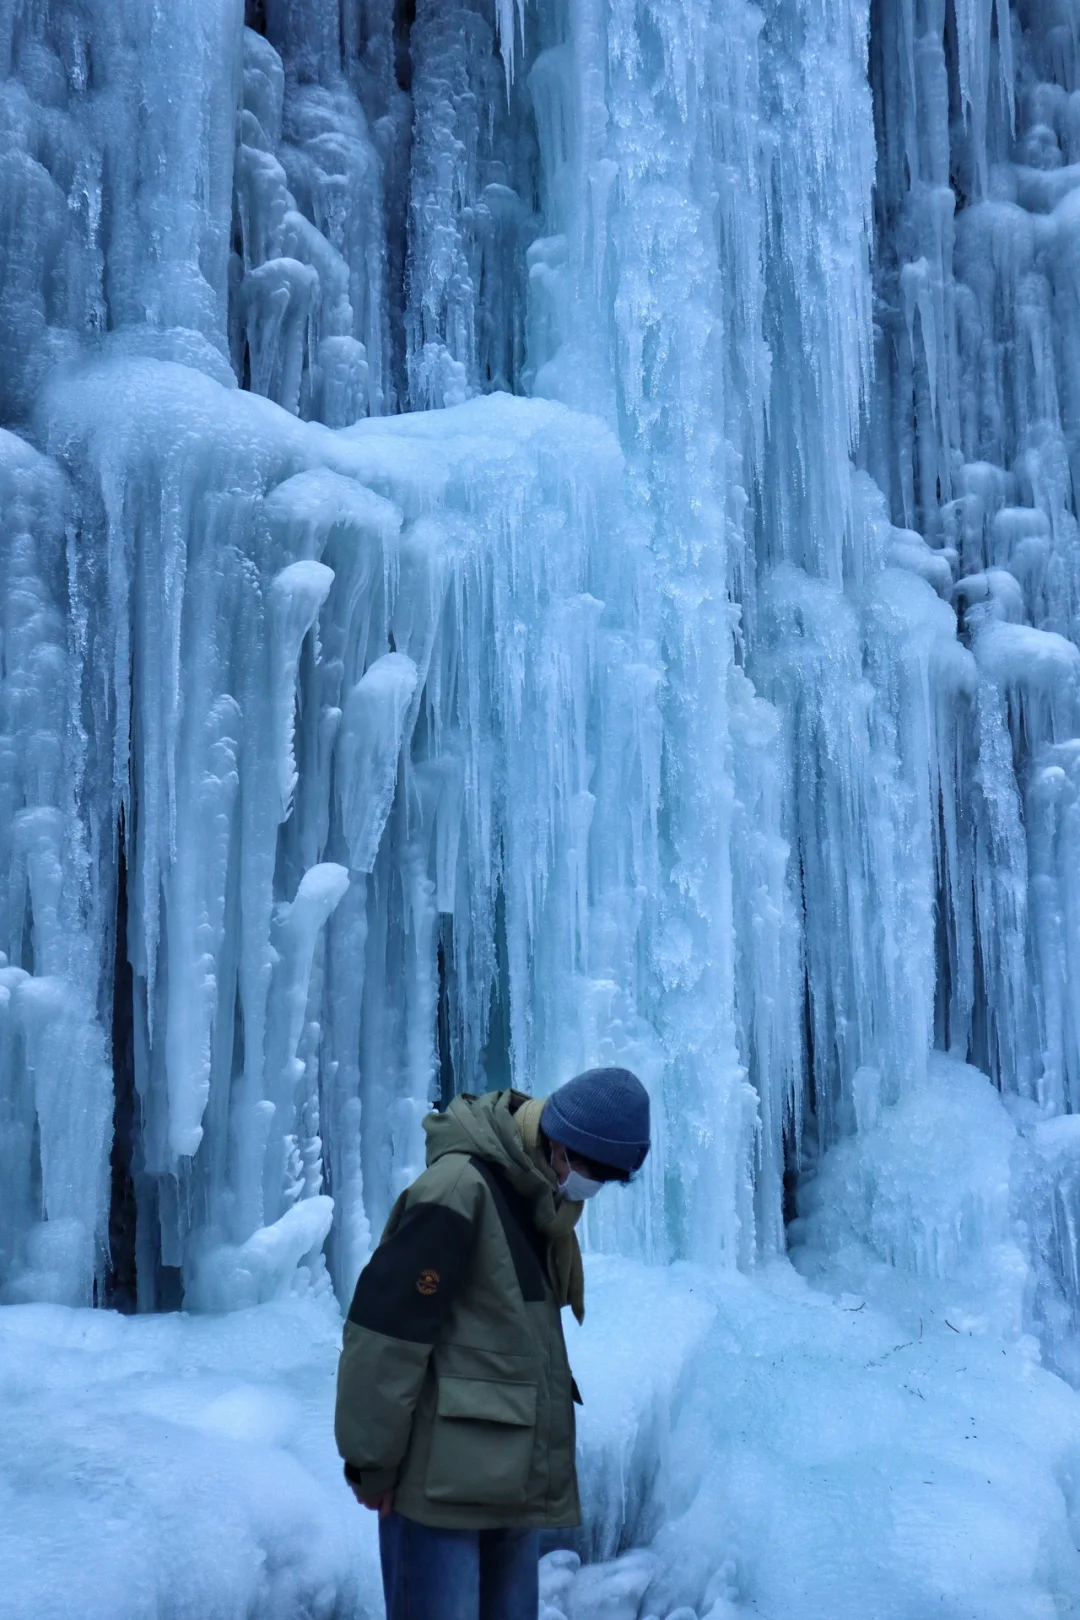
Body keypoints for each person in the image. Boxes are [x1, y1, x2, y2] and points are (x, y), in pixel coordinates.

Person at [335, 1066, 651, 1620]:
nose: (592, 1186)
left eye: (608, 1177)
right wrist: (371, 1463)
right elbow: (386, 1334)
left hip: (510, 1484)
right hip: (440, 1493)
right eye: (592, 1170)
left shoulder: (536, 1198)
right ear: (560, 1142)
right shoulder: (459, 1190)